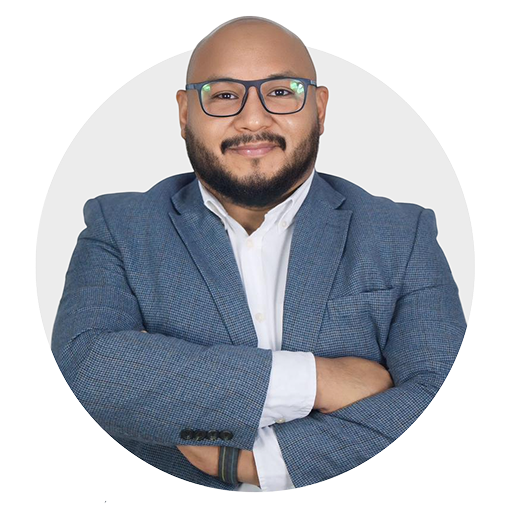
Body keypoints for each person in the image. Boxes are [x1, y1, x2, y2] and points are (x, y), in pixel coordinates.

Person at [51, 17, 467, 492]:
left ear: (320, 108)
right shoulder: (119, 226)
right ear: (185, 113)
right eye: (224, 95)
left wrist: (252, 463)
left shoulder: (402, 233)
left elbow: (433, 394)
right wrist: (319, 380)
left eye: (282, 92)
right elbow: (85, 369)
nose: (253, 119)